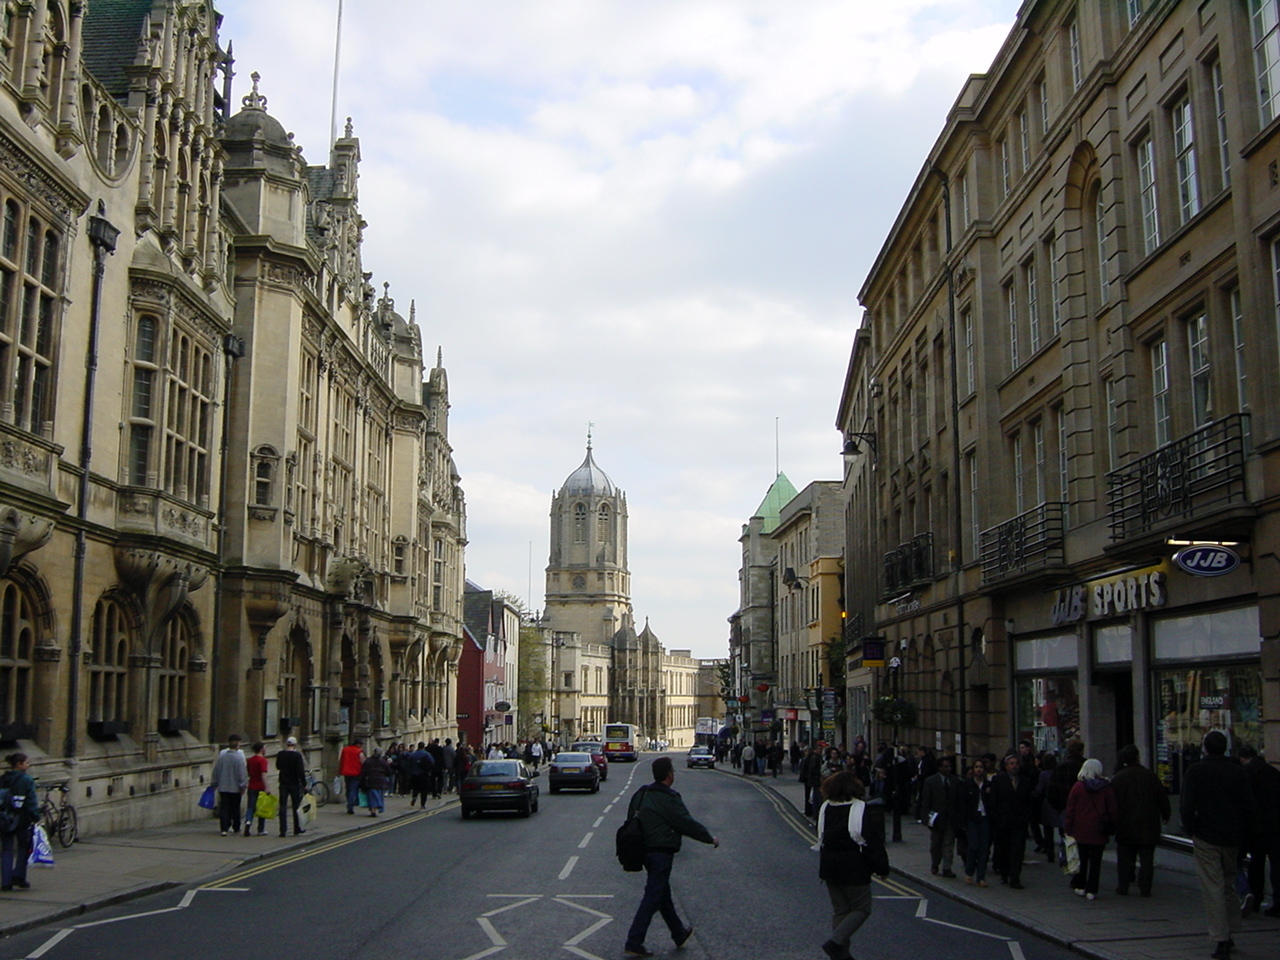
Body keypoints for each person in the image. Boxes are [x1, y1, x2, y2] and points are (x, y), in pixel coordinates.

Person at [622, 756, 718, 958]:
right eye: (672, 771)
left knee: (662, 895)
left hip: (643, 851)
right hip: (661, 852)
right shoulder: (669, 798)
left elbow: (631, 818)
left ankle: (679, 933)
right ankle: (634, 941)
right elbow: (686, 823)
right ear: (669, 775)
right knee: (652, 896)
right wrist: (709, 838)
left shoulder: (641, 793)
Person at [1182, 730, 1255, 960]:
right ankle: (1231, 929)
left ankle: (1220, 938)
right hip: (1232, 837)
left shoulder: (1197, 770)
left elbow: (1186, 804)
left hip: (1207, 836)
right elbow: (1249, 805)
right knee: (1228, 883)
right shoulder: (1237, 771)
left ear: (1205, 747)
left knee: (1213, 886)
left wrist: (1193, 829)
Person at [815, 770, 889, 960]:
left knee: (841, 911)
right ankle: (835, 942)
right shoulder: (860, 808)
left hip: (829, 866)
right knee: (862, 909)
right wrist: (882, 868)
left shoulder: (826, 807)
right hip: (853, 866)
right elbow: (872, 840)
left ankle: (841, 955)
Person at [1111, 744, 1170, 897]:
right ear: (1137, 757)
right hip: (1147, 823)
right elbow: (1162, 798)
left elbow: (1112, 803)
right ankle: (1145, 887)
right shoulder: (1150, 776)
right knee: (1146, 859)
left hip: (1126, 824)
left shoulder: (1118, 778)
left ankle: (1123, 886)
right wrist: (1165, 814)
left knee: (1124, 858)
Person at [1063, 758, 1118, 901]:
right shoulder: (1106, 788)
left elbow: (1070, 810)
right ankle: (1092, 889)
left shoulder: (1078, 787)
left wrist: (1068, 828)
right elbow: (1112, 809)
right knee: (1096, 861)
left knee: (1082, 859)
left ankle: (1080, 885)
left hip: (1081, 830)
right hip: (1099, 830)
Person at [1239, 744, 1280, 918]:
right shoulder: (1273, 772)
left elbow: (1245, 802)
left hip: (1257, 827)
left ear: (1242, 758)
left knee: (1256, 864)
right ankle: (1278, 902)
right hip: (1277, 825)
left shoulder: (1247, 774)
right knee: (1277, 865)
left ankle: (1255, 900)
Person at [990, 753, 1034, 888]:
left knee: (1017, 851)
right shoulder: (998, 780)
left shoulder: (1025, 781)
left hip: (1019, 822)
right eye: (1011, 763)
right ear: (1006, 766)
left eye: (1016, 763)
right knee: (1004, 850)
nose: (1014, 766)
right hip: (1003, 822)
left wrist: (1026, 818)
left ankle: (1015, 878)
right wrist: (996, 819)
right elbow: (993, 801)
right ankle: (1004, 873)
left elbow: (1029, 801)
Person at [0, 752, 39, 891]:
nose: (28, 765)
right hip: (22, 818)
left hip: (5, 818)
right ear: (19, 764)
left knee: (6, 849)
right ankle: (19, 876)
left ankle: (5, 881)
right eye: (27, 763)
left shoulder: (3, 778)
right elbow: (31, 802)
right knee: (24, 847)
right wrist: (36, 817)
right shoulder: (26, 780)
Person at [920, 756, 963, 878]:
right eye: (945, 766)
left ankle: (947, 868)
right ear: (939, 768)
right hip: (937, 818)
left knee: (948, 843)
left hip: (951, 818)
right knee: (936, 844)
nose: (948, 769)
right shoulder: (930, 781)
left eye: (949, 766)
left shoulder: (955, 780)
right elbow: (926, 801)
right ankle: (935, 863)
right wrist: (925, 818)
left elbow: (958, 800)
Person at [961, 760, 993, 886]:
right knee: (973, 846)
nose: (979, 769)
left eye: (981, 767)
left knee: (984, 848)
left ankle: (981, 876)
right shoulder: (967, 784)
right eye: (976, 767)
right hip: (972, 818)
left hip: (985, 818)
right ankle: (969, 872)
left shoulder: (988, 785)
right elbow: (962, 803)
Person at [211, 734, 248, 836]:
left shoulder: (221, 757)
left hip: (223, 787)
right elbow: (242, 774)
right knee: (235, 808)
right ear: (238, 744)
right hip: (235, 788)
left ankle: (224, 828)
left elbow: (215, 771)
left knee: (224, 808)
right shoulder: (239, 758)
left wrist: (214, 783)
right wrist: (243, 786)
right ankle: (236, 827)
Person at [275, 736, 307, 837]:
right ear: (295, 744)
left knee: (283, 806)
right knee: (296, 807)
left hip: (283, 783)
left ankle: (282, 830)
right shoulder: (297, 756)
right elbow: (300, 771)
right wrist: (304, 783)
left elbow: (278, 766)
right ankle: (296, 828)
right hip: (294, 783)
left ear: (287, 744)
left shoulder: (281, 754)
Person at [244, 742, 270, 837]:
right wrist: (267, 787)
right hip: (260, 787)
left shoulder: (250, 760)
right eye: (264, 747)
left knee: (250, 807)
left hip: (251, 786)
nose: (265, 749)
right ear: (261, 749)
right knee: (261, 809)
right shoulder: (262, 761)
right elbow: (263, 775)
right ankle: (260, 829)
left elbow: (248, 773)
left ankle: (248, 821)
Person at [361, 748, 391, 817]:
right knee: (379, 796)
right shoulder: (383, 762)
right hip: (380, 781)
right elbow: (389, 772)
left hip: (370, 781)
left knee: (372, 797)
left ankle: (373, 811)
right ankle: (379, 807)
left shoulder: (368, 761)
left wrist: (362, 781)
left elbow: (363, 772)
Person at [339, 738, 366, 814]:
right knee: (353, 790)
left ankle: (350, 802)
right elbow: (363, 762)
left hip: (346, 772)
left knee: (348, 789)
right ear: (358, 744)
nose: (361, 746)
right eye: (360, 745)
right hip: (356, 773)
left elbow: (341, 760)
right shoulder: (359, 752)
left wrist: (340, 771)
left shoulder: (345, 749)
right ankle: (350, 806)